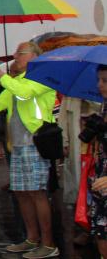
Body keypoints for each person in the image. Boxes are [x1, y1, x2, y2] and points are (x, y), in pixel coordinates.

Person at [0, 42, 59, 259]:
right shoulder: (16, 81)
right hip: (18, 145)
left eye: (20, 53)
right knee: (22, 193)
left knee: (37, 193)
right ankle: (31, 238)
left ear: (34, 56)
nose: (15, 56)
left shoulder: (41, 76)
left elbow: (24, 95)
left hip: (35, 143)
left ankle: (48, 243)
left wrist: (0, 74)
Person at [81, 65, 107, 257]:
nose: (100, 85)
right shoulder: (104, 106)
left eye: (105, 80)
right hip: (100, 178)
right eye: (98, 80)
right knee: (100, 230)